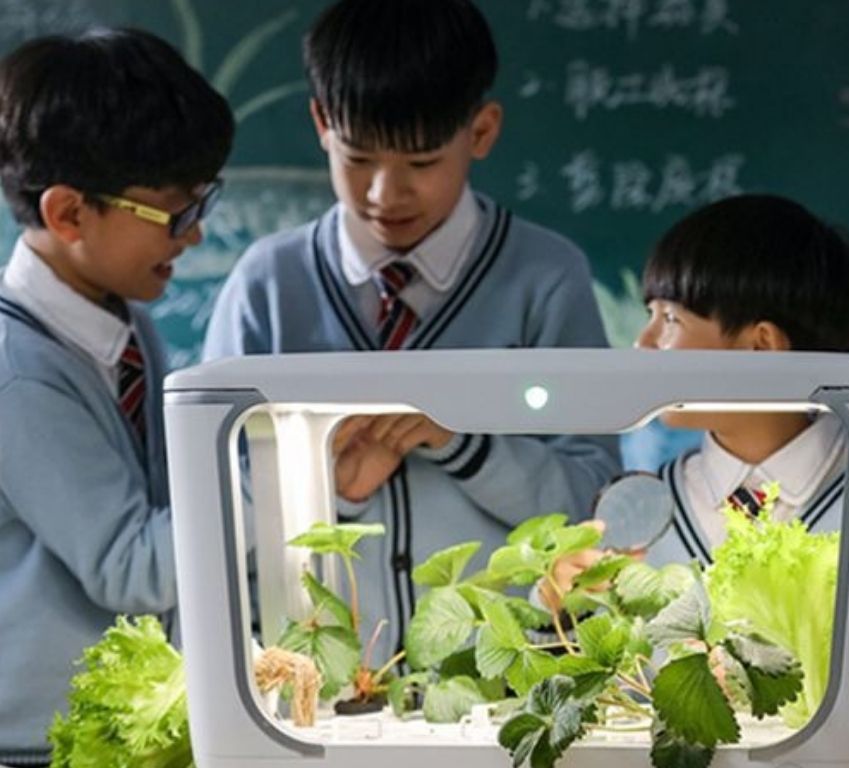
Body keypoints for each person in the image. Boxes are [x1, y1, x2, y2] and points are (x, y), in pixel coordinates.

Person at [201, 0, 619, 653]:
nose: (384, 194)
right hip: (314, 679)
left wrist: (465, 442)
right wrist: (325, 481)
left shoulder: (548, 276)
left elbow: (594, 501)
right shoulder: (266, 285)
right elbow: (216, 512)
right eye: (358, 159)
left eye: (422, 164)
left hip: (506, 684)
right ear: (320, 123)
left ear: (481, 132)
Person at [544, 194, 849, 758]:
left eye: (671, 319)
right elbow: (594, 698)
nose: (644, 342)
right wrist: (557, 610)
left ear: (762, 346)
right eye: (648, 314)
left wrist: (780, 680)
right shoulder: (649, 503)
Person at [0, 28, 233, 764]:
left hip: (119, 731)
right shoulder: (17, 370)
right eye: (174, 214)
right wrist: (271, 459)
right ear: (69, 213)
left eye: (202, 203)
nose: (193, 237)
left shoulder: (124, 322)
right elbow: (131, 567)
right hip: (41, 745)